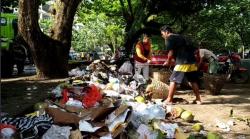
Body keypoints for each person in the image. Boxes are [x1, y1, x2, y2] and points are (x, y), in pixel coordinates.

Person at [160, 25, 202, 105]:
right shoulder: (181, 37)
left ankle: (169, 100)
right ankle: (198, 99)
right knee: (193, 80)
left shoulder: (169, 38)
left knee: (173, 80)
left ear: (166, 32)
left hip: (182, 62)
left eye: (162, 34)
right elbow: (194, 49)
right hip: (191, 62)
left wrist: (168, 61)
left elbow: (170, 53)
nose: (162, 36)